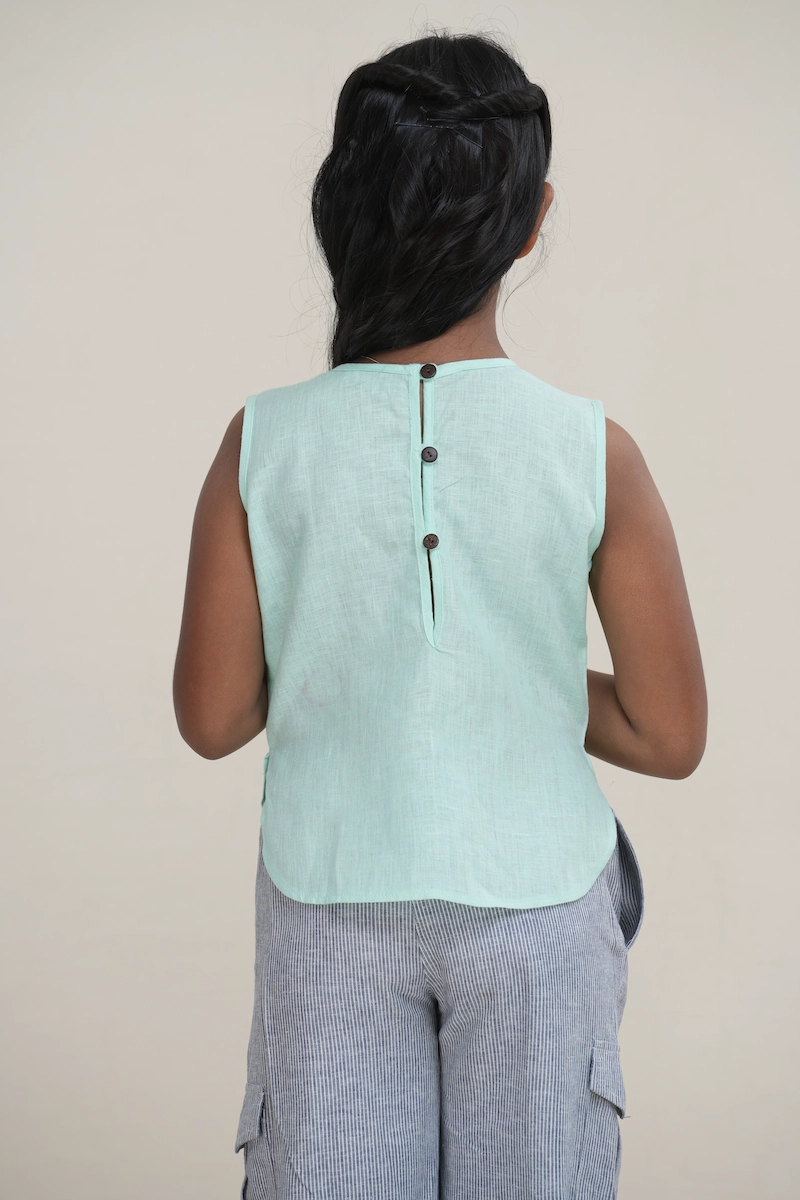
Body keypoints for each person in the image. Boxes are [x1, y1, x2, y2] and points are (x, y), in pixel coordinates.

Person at [173, 29, 707, 1200]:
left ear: (346, 208)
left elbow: (212, 718)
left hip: (328, 897)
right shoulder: (592, 451)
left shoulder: (261, 441)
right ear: (530, 218)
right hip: (539, 905)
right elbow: (668, 735)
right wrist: (503, 667)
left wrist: (364, 659)